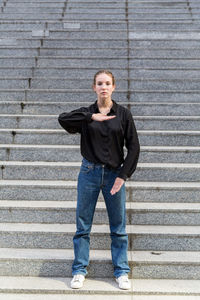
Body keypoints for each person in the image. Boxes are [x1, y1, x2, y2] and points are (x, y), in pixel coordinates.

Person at [58, 70, 140, 290]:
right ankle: (79, 270)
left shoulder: (123, 114)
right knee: (83, 226)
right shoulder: (86, 113)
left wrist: (123, 175)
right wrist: (90, 117)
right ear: (94, 87)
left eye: (107, 83)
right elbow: (63, 119)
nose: (104, 87)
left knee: (118, 227)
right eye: (99, 83)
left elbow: (133, 147)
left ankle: (121, 271)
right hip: (89, 174)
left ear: (114, 87)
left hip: (114, 175)